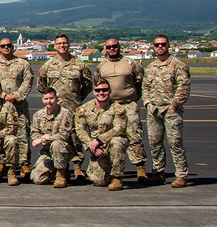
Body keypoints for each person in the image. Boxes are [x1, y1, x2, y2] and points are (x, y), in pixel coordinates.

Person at [37, 34, 93, 181]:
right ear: (55, 46)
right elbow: (41, 85)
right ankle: (60, 167)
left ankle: (77, 166)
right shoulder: (47, 66)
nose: (62, 46)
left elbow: (88, 84)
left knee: (75, 136)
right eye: (59, 44)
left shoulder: (79, 64)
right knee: (57, 137)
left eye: (65, 43)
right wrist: (50, 99)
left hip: (73, 106)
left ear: (69, 45)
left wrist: (77, 98)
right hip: (55, 109)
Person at [94, 38, 149, 182]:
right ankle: (111, 169)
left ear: (119, 47)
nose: (112, 49)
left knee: (134, 135)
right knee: (107, 137)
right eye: (109, 47)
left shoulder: (131, 63)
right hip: (110, 106)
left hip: (128, 104)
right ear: (105, 49)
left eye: (115, 46)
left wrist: (132, 98)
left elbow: (140, 82)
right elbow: (98, 84)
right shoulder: (101, 66)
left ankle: (140, 169)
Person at [143, 34, 191, 187]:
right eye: (157, 45)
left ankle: (181, 174)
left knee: (175, 142)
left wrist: (174, 105)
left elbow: (184, 87)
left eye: (163, 44)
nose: (160, 47)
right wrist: (147, 103)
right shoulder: (150, 67)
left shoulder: (178, 65)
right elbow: (145, 87)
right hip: (154, 110)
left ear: (168, 45)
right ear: (153, 46)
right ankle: (158, 172)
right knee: (154, 143)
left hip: (170, 111)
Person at [0, 38, 34, 178]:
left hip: (19, 105)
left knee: (22, 134)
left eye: (9, 45)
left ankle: (24, 164)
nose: (6, 47)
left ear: (12, 47)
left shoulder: (22, 64)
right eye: (3, 46)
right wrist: (4, 95)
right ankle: (2, 163)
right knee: (1, 134)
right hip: (0, 106)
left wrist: (16, 96)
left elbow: (28, 82)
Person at [75, 80, 129, 191]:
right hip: (97, 149)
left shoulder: (118, 109)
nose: (101, 93)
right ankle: (103, 169)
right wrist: (90, 144)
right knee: (99, 181)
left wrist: (99, 140)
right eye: (98, 90)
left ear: (109, 91)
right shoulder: (84, 109)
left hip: (111, 144)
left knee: (117, 141)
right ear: (94, 92)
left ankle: (117, 178)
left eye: (104, 90)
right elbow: (80, 129)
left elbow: (120, 128)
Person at [29, 88, 74, 188]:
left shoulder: (65, 113)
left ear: (57, 98)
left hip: (65, 149)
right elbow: (34, 133)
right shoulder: (38, 115)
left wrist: (44, 139)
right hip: (48, 151)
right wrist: (39, 137)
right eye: (46, 99)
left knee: (56, 143)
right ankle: (58, 169)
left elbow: (63, 135)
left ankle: (61, 175)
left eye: (51, 98)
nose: (48, 101)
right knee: (37, 178)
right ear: (42, 100)